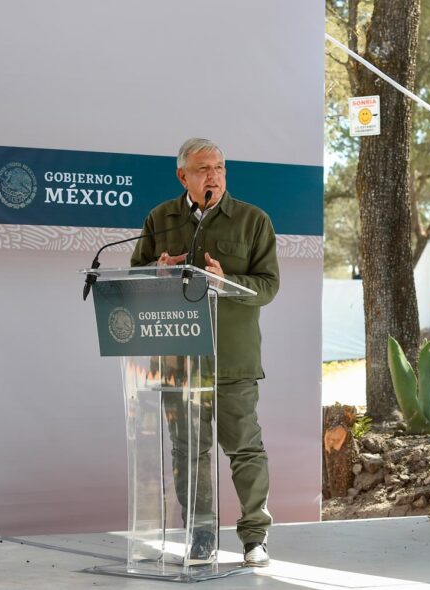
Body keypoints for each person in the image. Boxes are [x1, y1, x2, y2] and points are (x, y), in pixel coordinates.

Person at [130, 138, 279, 567]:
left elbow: (269, 285)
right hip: (178, 359)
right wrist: (156, 273)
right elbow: (135, 276)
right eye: (202, 168)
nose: (212, 174)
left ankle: (255, 538)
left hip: (232, 359)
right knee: (187, 451)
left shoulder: (252, 220)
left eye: (218, 167)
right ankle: (198, 535)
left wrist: (226, 279)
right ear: (183, 176)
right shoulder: (160, 219)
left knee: (245, 449)